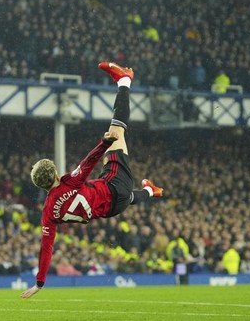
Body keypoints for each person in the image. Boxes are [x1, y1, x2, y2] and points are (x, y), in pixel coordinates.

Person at [20, 62, 164, 299]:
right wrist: (104, 143)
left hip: (112, 208)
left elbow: (46, 248)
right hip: (114, 185)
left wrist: (40, 282)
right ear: (55, 175)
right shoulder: (68, 182)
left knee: (126, 197)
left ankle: (150, 192)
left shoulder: (48, 213)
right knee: (118, 132)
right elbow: (88, 163)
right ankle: (124, 81)